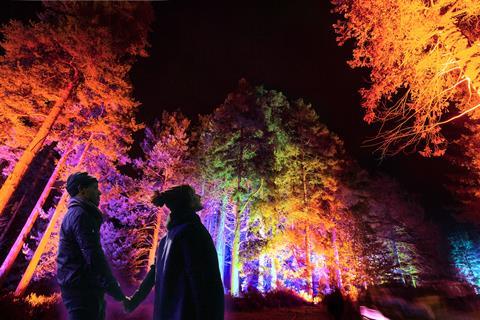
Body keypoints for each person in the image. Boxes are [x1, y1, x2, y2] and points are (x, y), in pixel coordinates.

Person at [124, 185, 224, 320]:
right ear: (186, 203)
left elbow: (153, 273)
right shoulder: (192, 232)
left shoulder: (166, 239)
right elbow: (201, 280)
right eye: (194, 195)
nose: (199, 197)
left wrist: (133, 302)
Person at [57, 172, 126, 320]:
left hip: (82, 288)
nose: (99, 192)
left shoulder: (78, 214)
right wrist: (114, 289)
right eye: (95, 188)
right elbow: (93, 255)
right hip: (82, 290)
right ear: (82, 189)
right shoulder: (80, 215)